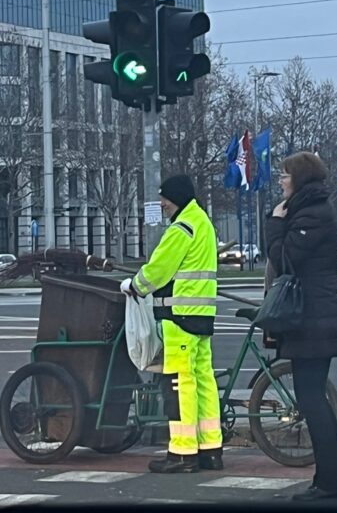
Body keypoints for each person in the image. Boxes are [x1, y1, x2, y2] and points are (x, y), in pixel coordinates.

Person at [264, 151, 337, 501]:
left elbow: (285, 259)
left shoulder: (311, 215)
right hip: (315, 316)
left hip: (313, 319)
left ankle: (331, 484)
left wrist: (274, 223)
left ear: (299, 178)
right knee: (314, 398)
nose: (281, 181)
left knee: (312, 400)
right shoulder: (310, 211)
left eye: (285, 175)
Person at [120, 174, 223, 474]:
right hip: (202, 316)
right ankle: (210, 449)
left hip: (180, 316)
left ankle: (182, 453)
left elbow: (159, 269)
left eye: (164, 197)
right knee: (203, 380)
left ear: (176, 197)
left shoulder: (182, 227)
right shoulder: (202, 222)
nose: (162, 203)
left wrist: (135, 285)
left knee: (179, 384)